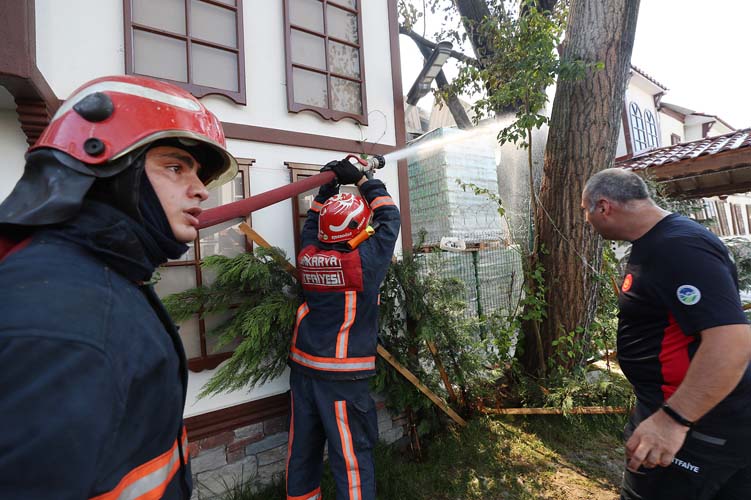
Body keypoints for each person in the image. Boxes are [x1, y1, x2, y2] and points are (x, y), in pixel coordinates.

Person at [0, 75, 238, 499]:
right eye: (175, 167)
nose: (202, 191)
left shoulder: (103, 275)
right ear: (110, 173)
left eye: (198, 174)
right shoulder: (65, 324)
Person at [581, 168, 751, 500]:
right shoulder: (660, 241)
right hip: (692, 415)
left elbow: (731, 340)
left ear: (603, 207)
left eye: (585, 211)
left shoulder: (677, 247)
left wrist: (673, 420)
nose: (586, 220)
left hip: (697, 426)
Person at [285, 159, 401, 500]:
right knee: (351, 458)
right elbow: (390, 217)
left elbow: (312, 222)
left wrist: (328, 187)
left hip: (304, 371)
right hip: (343, 378)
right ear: (356, 229)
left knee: (302, 451)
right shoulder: (363, 263)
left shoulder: (308, 254)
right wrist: (363, 180)